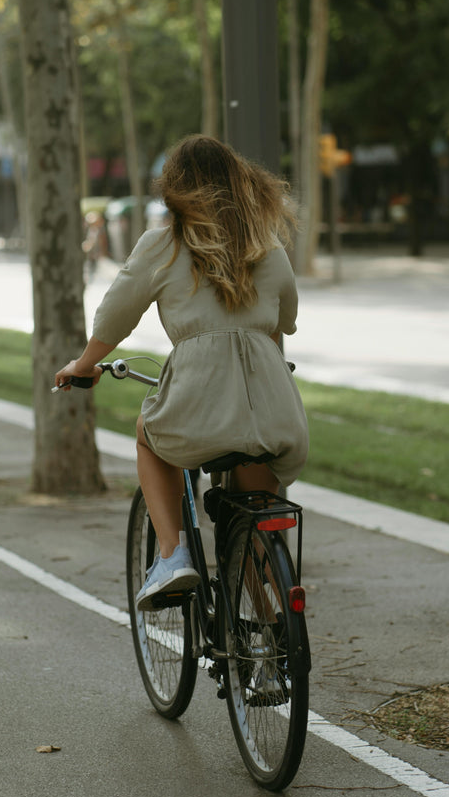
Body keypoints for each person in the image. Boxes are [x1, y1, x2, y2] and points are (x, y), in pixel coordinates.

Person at [54, 135, 309, 610]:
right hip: (270, 407)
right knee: (251, 527)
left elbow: (114, 319)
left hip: (199, 398)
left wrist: (82, 366)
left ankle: (173, 556)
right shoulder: (266, 245)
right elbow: (284, 320)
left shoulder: (165, 244)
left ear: (175, 189)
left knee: (149, 435)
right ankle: (273, 646)